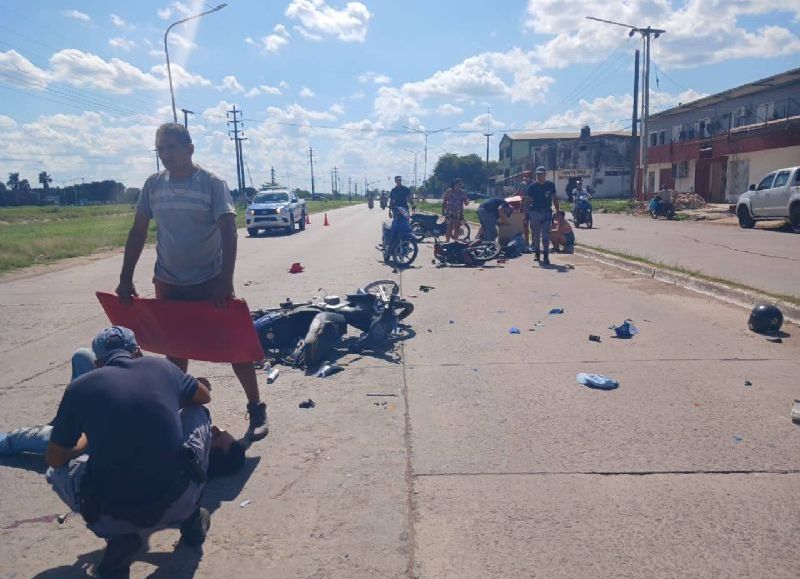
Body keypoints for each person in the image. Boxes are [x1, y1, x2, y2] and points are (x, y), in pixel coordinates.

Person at [116, 123, 267, 441]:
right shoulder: (153, 185)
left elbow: (229, 230)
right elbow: (138, 231)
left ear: (190, 148)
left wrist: (225, 281)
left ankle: (256, 408)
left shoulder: (211, 184)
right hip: (169, 282)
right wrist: (125, 278)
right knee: (175, 350)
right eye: (160, 149)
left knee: (235, 347)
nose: (166, 154)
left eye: (171, 147)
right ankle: (173, 412)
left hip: (210, 282)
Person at [44, 327, 215, 577]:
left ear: (97, 362)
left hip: (111, 513)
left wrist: (88, 440)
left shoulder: (79, 388)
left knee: (53, 473)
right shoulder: (161, 368)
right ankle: (190, 517)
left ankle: (120, 538)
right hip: (177, 498)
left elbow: (55, 458)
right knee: (198, 413)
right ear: (137, 351)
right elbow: (204, 396)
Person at [1, 351, 245, 480]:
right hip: (103, 413)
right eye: (221, 431)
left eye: (216, 438)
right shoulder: (189, 430)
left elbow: (64, 455)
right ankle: (65, 421)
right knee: (83, 357)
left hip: (88, 437)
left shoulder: (179, 449)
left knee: (29, 439)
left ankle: (23, 437)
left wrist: (80, 437)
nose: (214, 429)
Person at [524, 166, 560, 266]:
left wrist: (558, 210)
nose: (539, 176)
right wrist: (526, 214)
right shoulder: (532, 187)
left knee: (545, 236)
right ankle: (537, 253)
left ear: (545, 175)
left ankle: (546, 256)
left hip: (546, 213)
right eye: (538, 174)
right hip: (534, 213)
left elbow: (555, 199)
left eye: (541, 174)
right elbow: (528, 202)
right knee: (535, 236)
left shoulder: (550, 185)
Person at [442, 178, 469, 242]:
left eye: (460, 184)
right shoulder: (449, 191)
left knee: (457, 228)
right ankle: (447, 242)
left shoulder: (462, 192)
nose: (459, 185)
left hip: (459, 213)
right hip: (450, 213)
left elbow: (466, 203)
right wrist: (444, 211)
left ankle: (455, 243)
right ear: (454, 184)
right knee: (449, 228)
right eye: (458, 184)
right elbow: (444, 201)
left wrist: (467, 201)